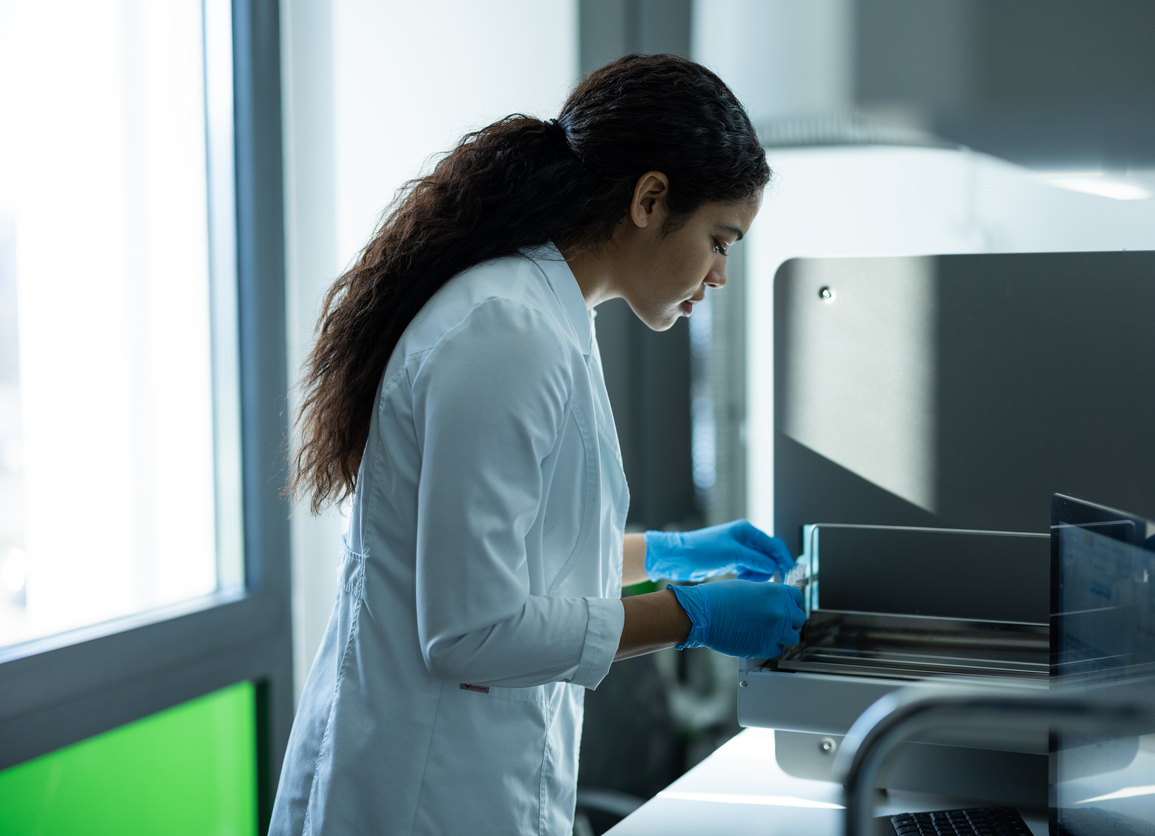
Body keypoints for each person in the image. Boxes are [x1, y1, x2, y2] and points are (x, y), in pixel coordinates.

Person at [272, 54, 805, 835]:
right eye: (720, 241)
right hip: (421, 795)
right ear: (650, 199)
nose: (720, 274)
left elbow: (517, 558)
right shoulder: (506, 330)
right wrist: (689, 615)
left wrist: (668, 554)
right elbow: (471, 631)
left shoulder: (545, 313)